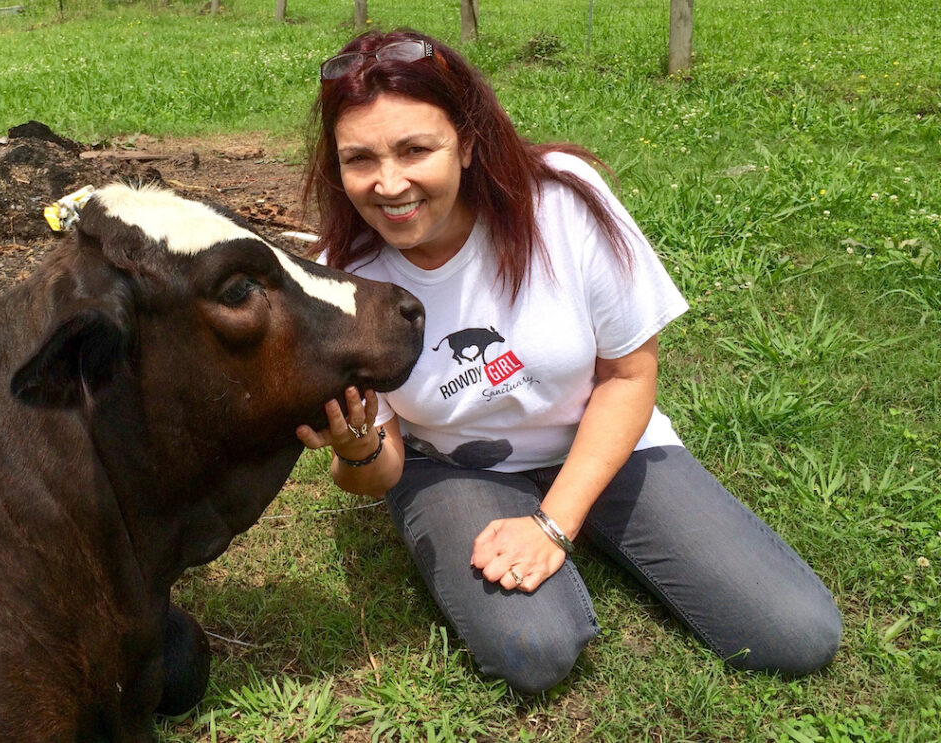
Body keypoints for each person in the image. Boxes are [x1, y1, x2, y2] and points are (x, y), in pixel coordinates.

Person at [295, 29, 842, 694]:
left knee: (795, 632)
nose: (388, 183)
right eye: (360, 159)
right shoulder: (341, 280)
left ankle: (580, 518)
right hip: (453, 463)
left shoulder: (560, 203)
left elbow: (628, 375)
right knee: (532, 650)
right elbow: (381, 467)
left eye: (415, 149)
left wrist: (554, 523)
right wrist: (356, 449)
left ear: (465, 141)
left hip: (606, 440)